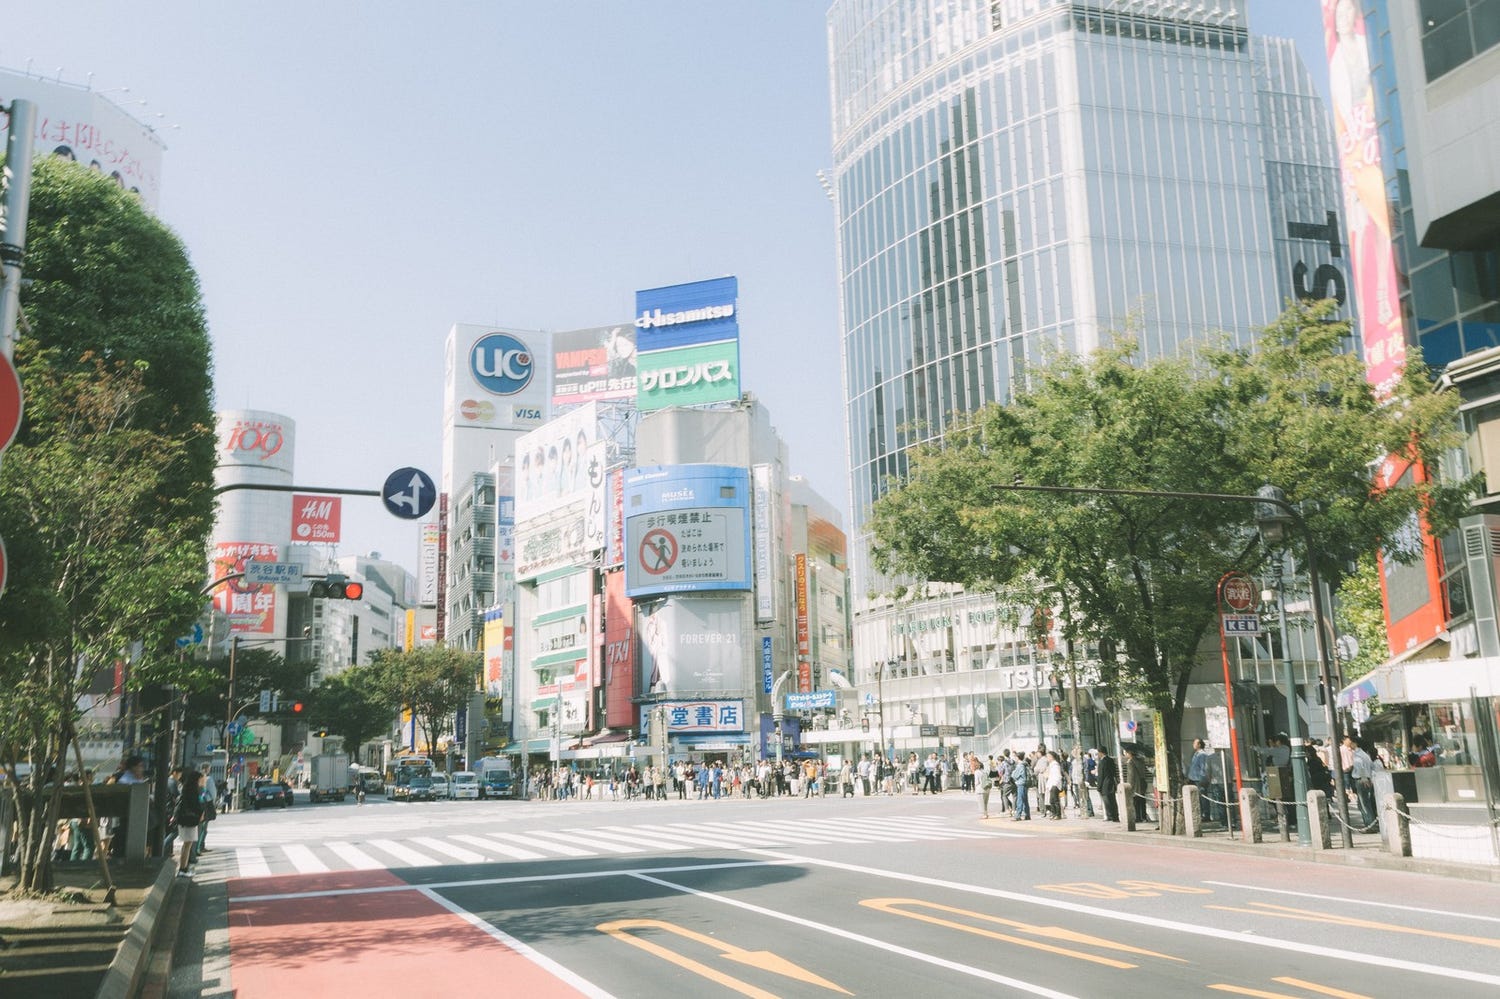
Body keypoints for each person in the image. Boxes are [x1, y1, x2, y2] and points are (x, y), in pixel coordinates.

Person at [172, 770, 205, 878]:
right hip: (188, 820)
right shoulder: (192, 791)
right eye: (201, 779)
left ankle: (184, 868)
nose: (202, 781)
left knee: (187, 844)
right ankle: (182, 869)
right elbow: (195, 805)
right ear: (196, 779)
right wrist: (201, 813)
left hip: (185, 819)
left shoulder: (187, 789)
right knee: (187, 844)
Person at [1187, 739, 1213, 822]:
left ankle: (1205, 814)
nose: (1193, 744)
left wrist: (1202, 779)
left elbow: (1203, 768)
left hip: (1199, 779)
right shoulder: (1196, 754)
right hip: (1193, 779)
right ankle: (1200, 814)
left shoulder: (1202, 755)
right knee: (1197, 798)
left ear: (1199, 744)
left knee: (1202, 797)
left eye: (1195, 743)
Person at [1096, 748, 1120, 822]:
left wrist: (1099, 786)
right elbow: (1114, 772)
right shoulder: (1111, 760)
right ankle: (1115, 816)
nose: (1098, 755)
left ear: (1101, 753)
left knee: (1107, 801)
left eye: (1098, 753)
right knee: (1113, 800)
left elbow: (1101, 775)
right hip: (1111, 782)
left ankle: (1110, 816)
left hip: (1104, 784)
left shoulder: (1102, 762)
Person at [1010, 753, 1031, 821]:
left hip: (1020, 783)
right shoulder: (1025, 764)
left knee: (1020, 799)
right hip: (1025, 783)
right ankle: (1027, 815)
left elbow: (1014, 775)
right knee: (1025, 799)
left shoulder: (1020, 765)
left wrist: (1013, 772)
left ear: (1018, 758)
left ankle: (1018, 815)